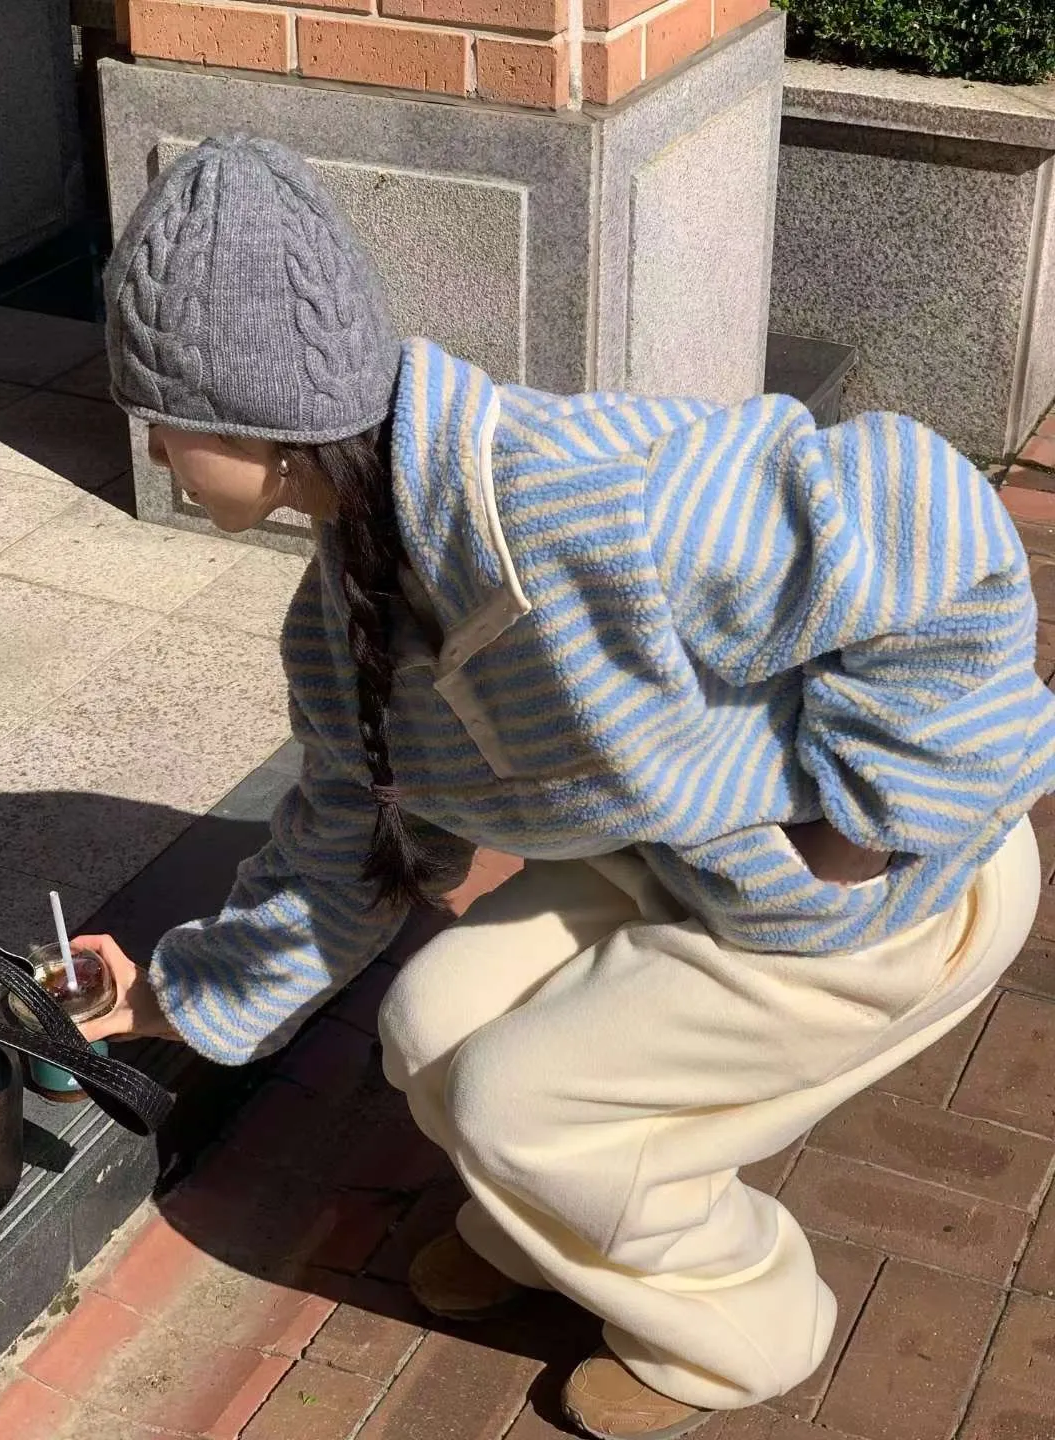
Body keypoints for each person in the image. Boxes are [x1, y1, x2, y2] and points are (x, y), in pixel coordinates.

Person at [77, 133, 1055, 1439]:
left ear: (259, 415)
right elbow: (343, 852)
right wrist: (169, 998)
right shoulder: (343, 613)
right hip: (683, 869)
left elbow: (936, 524)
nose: (152, 451)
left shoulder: (592, 500)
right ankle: (552, 1235)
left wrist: (862, 833)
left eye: (161, 417)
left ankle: (738, 1329)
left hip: (894, 897)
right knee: (427, 1026)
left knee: (518, 1100)